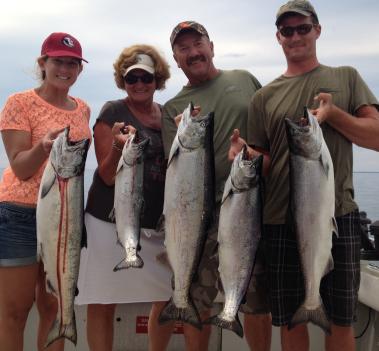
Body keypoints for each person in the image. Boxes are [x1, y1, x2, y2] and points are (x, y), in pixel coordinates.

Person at [229, 1, 379, 350]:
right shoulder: (264, 97)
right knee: (291, 324)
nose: (295, 36)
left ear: (317, 30)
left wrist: (333, 115)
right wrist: (244, 156)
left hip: (337, 216)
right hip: (280, 221)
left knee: (341, 321)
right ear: (278, 37)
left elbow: (375, 137)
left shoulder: (346, 77)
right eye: (287, 30)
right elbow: (264, 161)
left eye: (303, 28)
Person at [161, 21, 272, 351]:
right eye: (184, 48)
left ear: (211, 46)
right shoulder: (172, 109)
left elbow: (269, 135)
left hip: (249, 202)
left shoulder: (244, 80)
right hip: (199, 216)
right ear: (176, 59)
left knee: (254, 302)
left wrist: (252, 154)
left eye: (198, 44)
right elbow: (176, 172)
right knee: (196, 300)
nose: (193, 52)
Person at [75, 45, 173, 351]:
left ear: (158, 80)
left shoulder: (168, 115)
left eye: (147, 77)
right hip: (109, 220)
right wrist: (119, 147)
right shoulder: (113, 111)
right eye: (132, 79)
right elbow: (105, 175)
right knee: (103, 300)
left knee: (168, 296)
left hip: (156, 222)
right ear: (123, 82)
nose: (140, 84)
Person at [0, 32, 91, 351]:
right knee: (14, 311)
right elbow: (21, 167)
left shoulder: (83, 109)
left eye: (72, 63)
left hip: (65, 218)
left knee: (54, 308)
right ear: (43, 63)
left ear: (80, 69)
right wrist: (43, 147)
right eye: (58, 61)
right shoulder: (18, 103)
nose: (65, 68)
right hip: (20, 215)